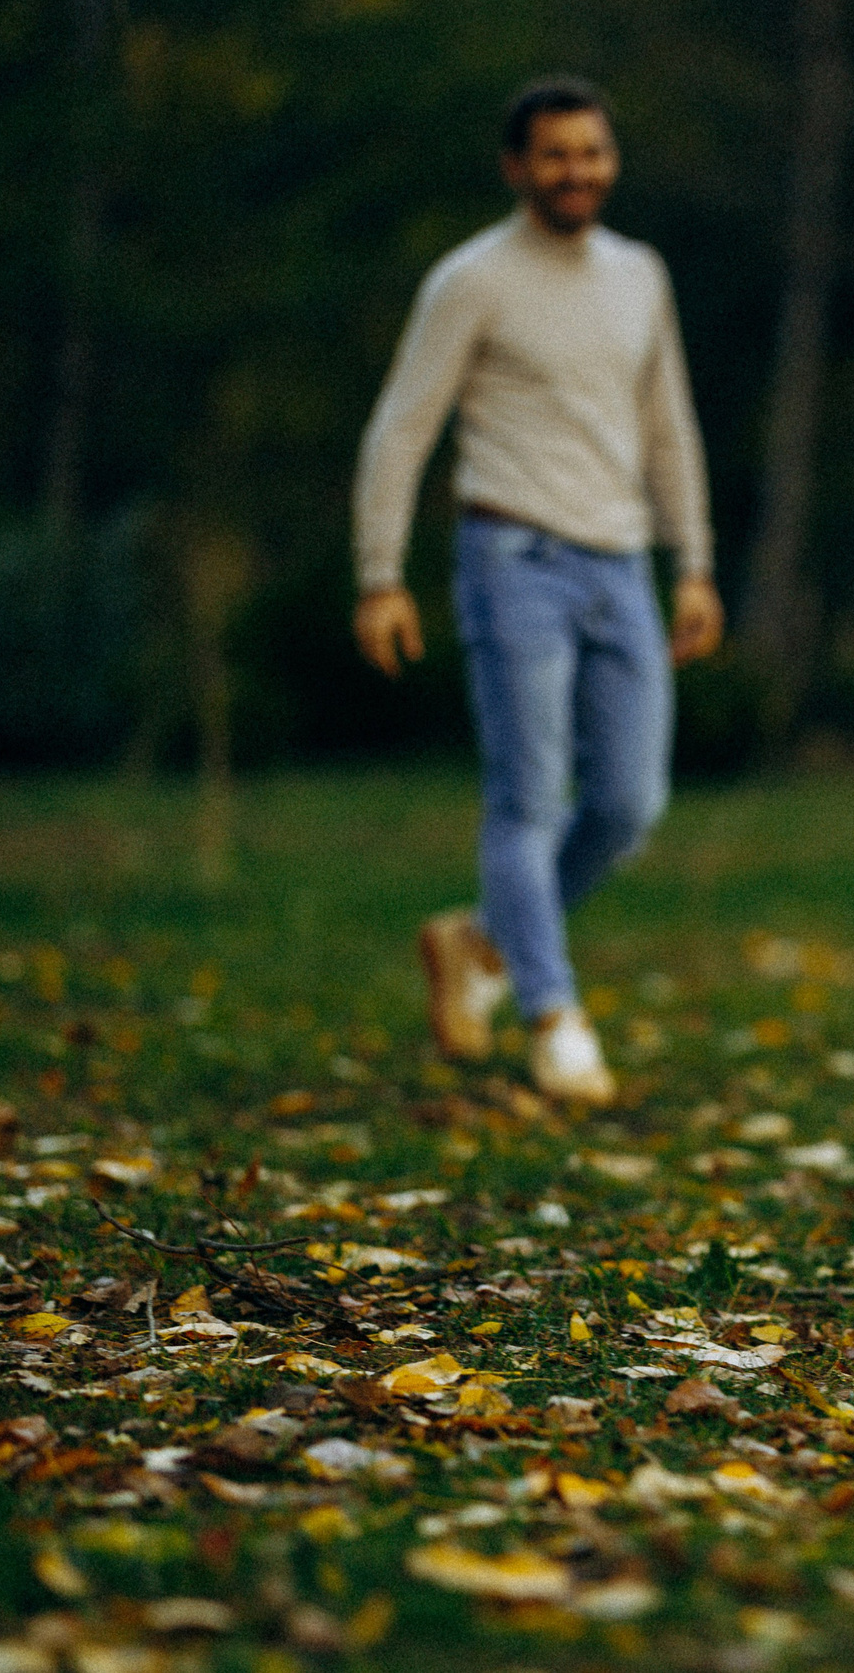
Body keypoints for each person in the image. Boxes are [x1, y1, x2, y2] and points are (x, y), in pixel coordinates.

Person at [350, 76, 724, 1104]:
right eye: (555, 155)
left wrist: (692, 560)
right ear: (517, 167)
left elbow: (667, 425)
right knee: (527, 797)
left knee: (629, 800)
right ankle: (553, 1014)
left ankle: (476, 938)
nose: (577, 171)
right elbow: (401, 428)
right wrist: (380, 577)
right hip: (510, 559)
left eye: (592, 152)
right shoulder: (471, 280)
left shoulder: (639, 274)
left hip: (623, 566)